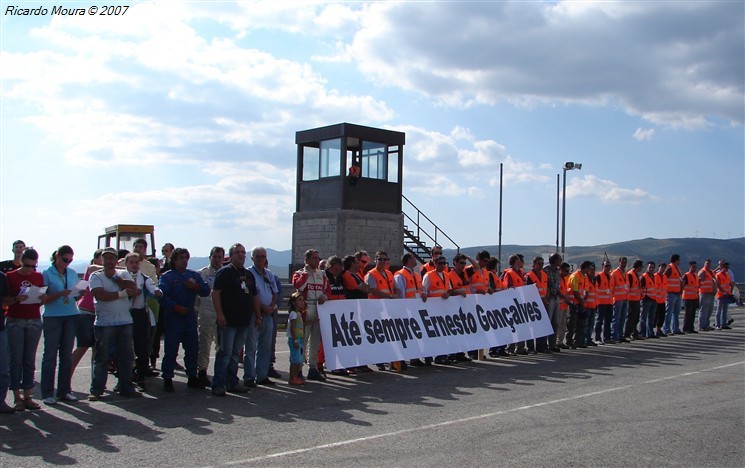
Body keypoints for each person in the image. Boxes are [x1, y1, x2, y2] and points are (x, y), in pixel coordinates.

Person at [89, 247, 142, 400]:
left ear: (116, 259)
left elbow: (133, 289)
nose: (109, 261)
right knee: (102, 357)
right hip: (105, 323)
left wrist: (115, 278)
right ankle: (97, 389)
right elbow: (100, 295)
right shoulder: (96, 276)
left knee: (126, 357)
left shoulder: (123, 274)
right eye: (106, 258)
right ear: (102, 260)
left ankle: (126, 387)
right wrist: (121, 294)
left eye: (112, 258)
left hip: (125, 321)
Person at [158, 247, 210, 392]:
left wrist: (195, 286)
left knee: (192, 348)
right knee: (171, 349)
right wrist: (176, 307)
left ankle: (192, 375)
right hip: (174, 317)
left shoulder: (193, 275)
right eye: (181, 258)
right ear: (174, 260)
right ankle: (167, 377)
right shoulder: (167, 277)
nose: (184, 261)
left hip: (189, 317)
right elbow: (162, 297)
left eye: (186, 258)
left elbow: (206, 290)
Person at [211, 243, 258, 396]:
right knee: (225, 353)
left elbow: (254, 296)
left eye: (243, 252)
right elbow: (216, 294)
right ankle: (218, 384)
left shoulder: (249, 275)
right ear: (231, 256)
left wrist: (257, 316)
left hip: (244, 320)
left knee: (236, 354)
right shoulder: (225, 272)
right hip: (228, 320)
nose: (241, 255)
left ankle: (232, 382)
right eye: (237, 252)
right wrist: (220, 314)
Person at [40, 245, 81, 405]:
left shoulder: (71, 273)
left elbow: (74, 296)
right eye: (65, 260)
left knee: (66, 355)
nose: (68, 263)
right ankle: (48, 392)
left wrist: (79, 294)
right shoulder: (46, 274)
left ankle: (64, 390)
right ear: (57, 256)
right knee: (50, 355)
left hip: (71, 314)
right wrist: (58, 294)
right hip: (53, 316)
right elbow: (42, 299)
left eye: (70, 260)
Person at [5, 248, 44, 411]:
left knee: (29, 359)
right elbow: (4, 300)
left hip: (33, 319)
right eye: (27, 266)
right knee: (16, 360)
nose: (29, 270)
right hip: (16, 319)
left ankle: (28, 395)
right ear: (21, 261)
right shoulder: (10, 277)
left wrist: (41, 297)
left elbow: (41, 299)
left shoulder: (38, 277)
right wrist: (16, 299)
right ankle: (17, 397)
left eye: (33, 266)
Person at [124, 252, 163, 389]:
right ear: (126, 264)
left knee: (141, 346)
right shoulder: (121, 277)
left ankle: (141, 376)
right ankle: (124, 378)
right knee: (124, 347)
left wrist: (158, 292)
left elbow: (152, 287)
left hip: (139, 314)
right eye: (131, 262)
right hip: (123, 315)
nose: (134, 265)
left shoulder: (144, 277)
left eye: (136, 262)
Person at [292, 249, 329, 381]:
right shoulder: (299, 274)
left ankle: (312, 367)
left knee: (315, 341)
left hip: (319, 308)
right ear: (307, 260)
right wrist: (306, 274)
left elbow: (327, 290)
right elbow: (299, 286)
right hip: (305, 309)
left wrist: (324, 297)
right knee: (302, 340)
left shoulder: (322, 274)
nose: (317, 261)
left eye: (318, 258)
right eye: (314, 258)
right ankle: (299, 368)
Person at [247, 246, 279, 386]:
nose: (261, 259)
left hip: (268, 314)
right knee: (251, 347)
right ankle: (249, 377)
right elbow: (250, 295)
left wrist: (271, 307)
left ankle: (262, 375)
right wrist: (262, 308)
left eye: (263, 256)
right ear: (252, 258)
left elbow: (275, 292)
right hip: (254, 314)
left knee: (266, 346)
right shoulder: (248, 274)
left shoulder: (269, 274)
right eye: (258, 256)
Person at [366, 251, 401, 370]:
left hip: (388, 308)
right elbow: (373, 290)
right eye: (380, 259)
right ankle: (378, 359)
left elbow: (394, 288)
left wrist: (396, 295)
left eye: (384, 259)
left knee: (387, 334)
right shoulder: (371, 274)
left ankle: (385, 358)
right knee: (378, 335)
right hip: (376, 308)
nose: (382, 261)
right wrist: (390, 297)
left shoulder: (389, 273)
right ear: (375, 260)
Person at [71, 249, 103, 378]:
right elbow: (93, 268)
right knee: (82, 346)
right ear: (96, 259)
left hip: (99, 313)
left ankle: (95, 380)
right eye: (102, 258)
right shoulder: (92, 268)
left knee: (98, 351)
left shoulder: (110, 274)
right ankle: (65, 380)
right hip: (85, 312)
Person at [195, 246, 224, 387]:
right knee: (204, 343)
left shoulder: (226, 273)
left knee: (222, 345)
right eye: (215, 257)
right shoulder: (202, 274)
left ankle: (221, 373)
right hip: (206, 312)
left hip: (223, 312)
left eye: (220, 257)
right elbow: (196, 296)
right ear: (210, 257)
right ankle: (201, 371)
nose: (217, 260)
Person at [525, 256, 550, 353]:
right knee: (532, 326)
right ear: (534, 264)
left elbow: (547, 288)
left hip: (543, 302)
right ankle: (530, 347)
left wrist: (546, 298)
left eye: (542, 264)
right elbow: (527, 290)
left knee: (543, 325)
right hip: (533, 304)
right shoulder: (529, 276)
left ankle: (542, 346)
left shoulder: (544, 275)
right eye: (539, 264)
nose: (541, 266)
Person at [566, 261, 590, 349]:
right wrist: (581, 301)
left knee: (581, 324)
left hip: (581, 303)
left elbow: (586, 290)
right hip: (574, 303)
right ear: (585, 268)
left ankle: (578, 341)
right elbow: (575, 291)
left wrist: (584, 300)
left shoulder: (585, 277)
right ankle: (569, 341)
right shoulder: (575, 276)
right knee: (572, 324)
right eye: (588, 268)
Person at [543, 253, 563, 352]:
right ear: (555, 260)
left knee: (555, 322)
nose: (561, 261)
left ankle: (552, 344)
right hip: (549, 297)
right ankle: (545, 344)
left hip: (556, 297)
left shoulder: (557, 271)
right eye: (560, 259)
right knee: (548, 321)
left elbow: (557, 284)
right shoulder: (546, 270)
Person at [0, 272, 13, 413]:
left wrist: (15, 299)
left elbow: (5, 300)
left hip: (0, 328)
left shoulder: (2, 277)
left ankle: (1, 401)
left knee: (3, 370)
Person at [287, 292, 306, 386]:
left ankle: (295, 377)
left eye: (303, 300)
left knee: (299, 360)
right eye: (299, 300)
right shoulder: (293, 314)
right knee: (296, 360)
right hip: (294, 339)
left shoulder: (299, 313)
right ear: (294, 302)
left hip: (299, 338)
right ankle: (292, 378)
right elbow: (293, 328)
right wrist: (295, 340)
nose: (302, 302)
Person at [663, 254, 684, 335]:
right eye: (679, 260)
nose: (680, 261)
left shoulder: (677, 269)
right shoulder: (670, 268)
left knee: (676, 312)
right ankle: (667, 329)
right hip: (671, 293)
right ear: (676, 260)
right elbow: (664, 278)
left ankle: (676, 328)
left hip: (677, 293)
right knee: (669, 311)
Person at [594, 261, 614, 345]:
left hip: (609, 302)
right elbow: (595, 289)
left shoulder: (610, 276)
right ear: (603, 266)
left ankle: (607, 337)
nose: (608, 267)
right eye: (606, 266)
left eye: (609, 266)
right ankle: (597, 338)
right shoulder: (598, 276)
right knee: (599, 321)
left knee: (608, 321)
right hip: (601, 302)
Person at [610, 257, 630, 343]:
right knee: (616, 318)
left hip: (625, 298)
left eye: (625, 262)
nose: (623, 264)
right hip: (617, 299)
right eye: (622, 262)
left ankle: (620, 335)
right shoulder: (614, 273)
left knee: (622, 318)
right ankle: (614, 335)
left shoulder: (625, 273)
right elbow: (611, 287)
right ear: (619, 262)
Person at [624, 260, 644, 340]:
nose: (641, 268)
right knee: (631, 317)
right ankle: (627, 334)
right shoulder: (630, 275)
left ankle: (634, 333)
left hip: (636, 299)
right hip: (631, 299)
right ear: (638, 266)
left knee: (636, 317)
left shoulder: (635, 274)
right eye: (641, 266)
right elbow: (628, 287)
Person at [639, 261, 658, 338]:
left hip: (653, 299)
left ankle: (651, 333)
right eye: (650, 267)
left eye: (652, 267)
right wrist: (644, 297)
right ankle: (642, 333)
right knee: (644, 317)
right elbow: (640, 288)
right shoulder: (643, 277)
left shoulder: (654, 277)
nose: (651, 269)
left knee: (651, 318)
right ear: (647, 267)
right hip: (646, 299)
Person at [697, 259, 717, 331]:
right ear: (704, 264)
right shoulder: (702, 272)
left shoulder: (711, 272)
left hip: (711, 294)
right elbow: (698, 282)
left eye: (709, 263)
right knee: (703, 310)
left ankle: (706, 324)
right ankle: (701, 325)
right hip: (704, 293)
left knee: (710, 310)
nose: (708, 265)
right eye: (707, 263)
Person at [681, 261, 700, 334]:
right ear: (689, 267)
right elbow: (682, 285)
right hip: (687, 297)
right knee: (688, 314)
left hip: (694, 297)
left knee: (693, 314)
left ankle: (691, 328)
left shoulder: (696, 275)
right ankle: (686, 328)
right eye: (693, 267)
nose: (694, 268)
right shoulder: (686, 275)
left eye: (695, 267)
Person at [715, 262, 733, 330]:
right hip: (720, 294)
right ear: (722, 267)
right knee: (719, 310)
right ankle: (717, 324)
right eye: (725, 267)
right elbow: (718, 285)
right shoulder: (718, 275)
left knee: (725, 311)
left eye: (727, 268)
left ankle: (724, 324)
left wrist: (730, 292)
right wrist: (723, 291)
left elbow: (729, 284)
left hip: (727, 295)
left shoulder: (727, 275)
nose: (727, 269)